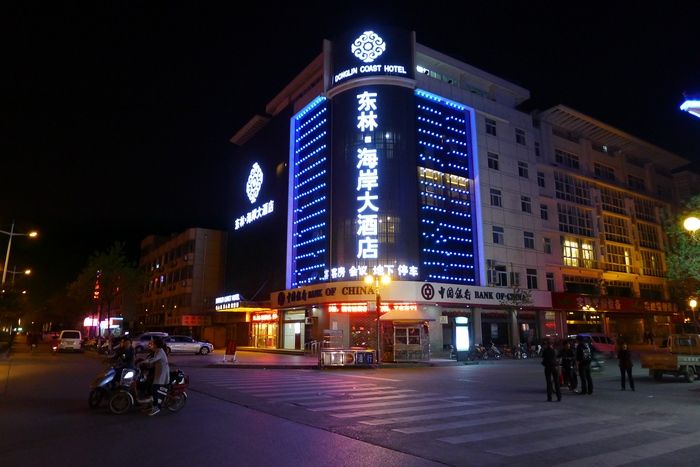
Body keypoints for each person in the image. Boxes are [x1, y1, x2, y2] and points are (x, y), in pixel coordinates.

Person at [139, 337, 170, 416]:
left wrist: (144, 362)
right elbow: (153, 361)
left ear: (156, 344)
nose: (151, 345)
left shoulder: (160, 351)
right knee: (151, 386)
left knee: (155, 388)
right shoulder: (156, 351)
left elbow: (154, 359)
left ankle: (157, 407)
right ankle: (151, 404)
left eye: (152, 343)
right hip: (158, 372)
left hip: (162, 373)